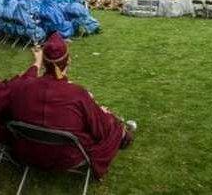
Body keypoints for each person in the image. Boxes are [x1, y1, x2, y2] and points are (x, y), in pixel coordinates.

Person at [9, 32, 135, 179]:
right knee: (109, 124)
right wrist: (103, 114)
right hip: (67, 157)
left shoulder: (24, 87)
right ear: (68, 61)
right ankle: (125, 134)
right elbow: (100, 129)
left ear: (44, 62)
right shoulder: (77, 94)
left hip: (27, 151)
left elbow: (18, 88)